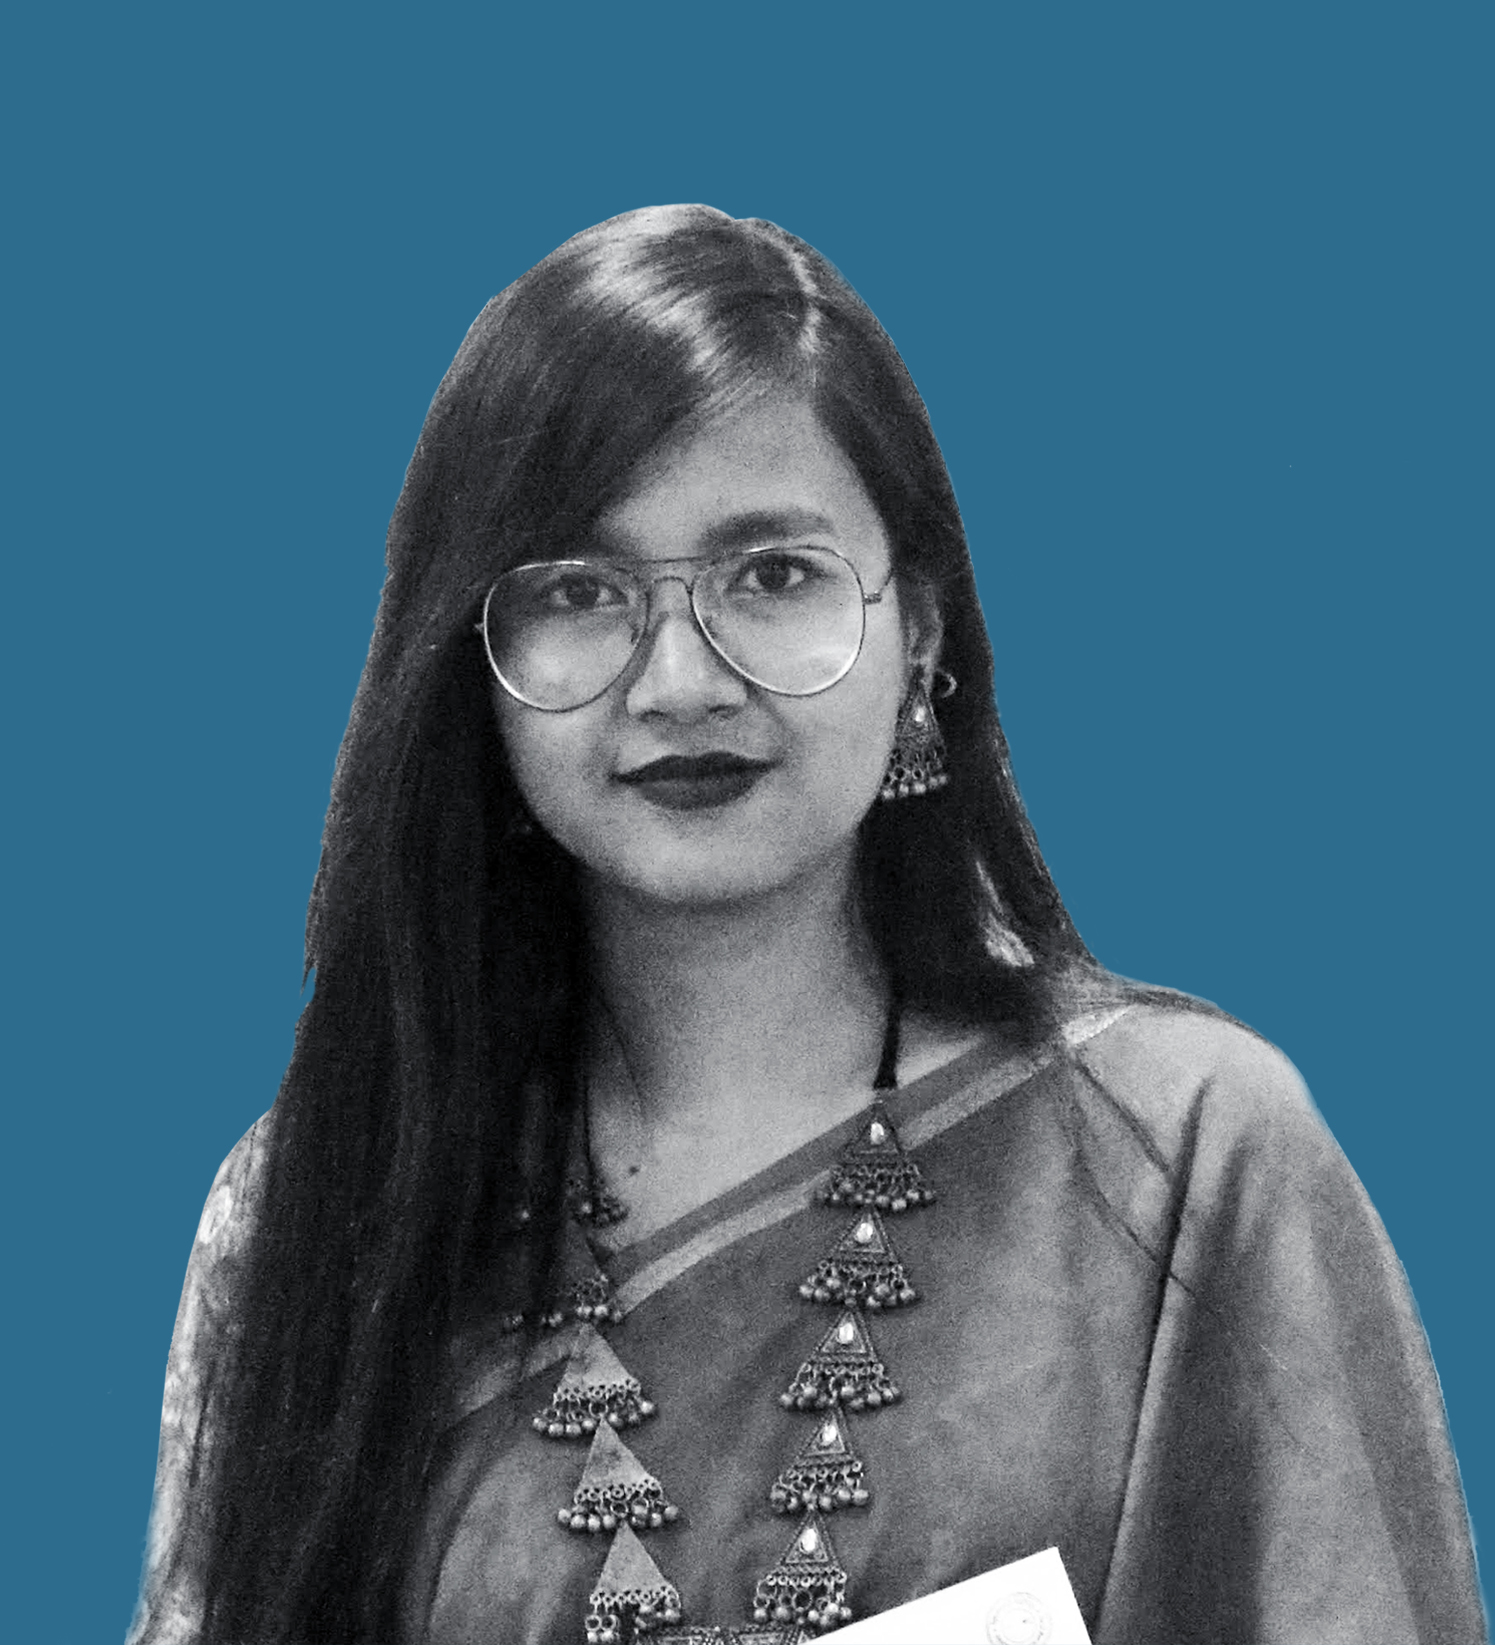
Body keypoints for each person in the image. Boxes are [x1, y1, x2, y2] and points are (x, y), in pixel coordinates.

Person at [127, 205, 1485, 1645]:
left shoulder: (1185, 1155)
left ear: (922, 634)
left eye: (772, 575)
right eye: (580, 592)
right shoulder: (329, 1208)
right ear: (475, 665)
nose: (679, 681)